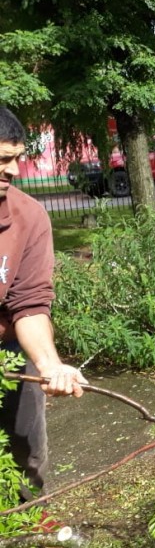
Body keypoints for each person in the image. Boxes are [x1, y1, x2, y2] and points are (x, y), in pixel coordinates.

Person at [0, 107, 87, 504]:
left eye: (17, 157)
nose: (15, 170)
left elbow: (30, 304)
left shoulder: (27, 217)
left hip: (8, 349)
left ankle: (31, 514)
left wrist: (51, 366)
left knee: (25, 441)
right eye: (3, 159)